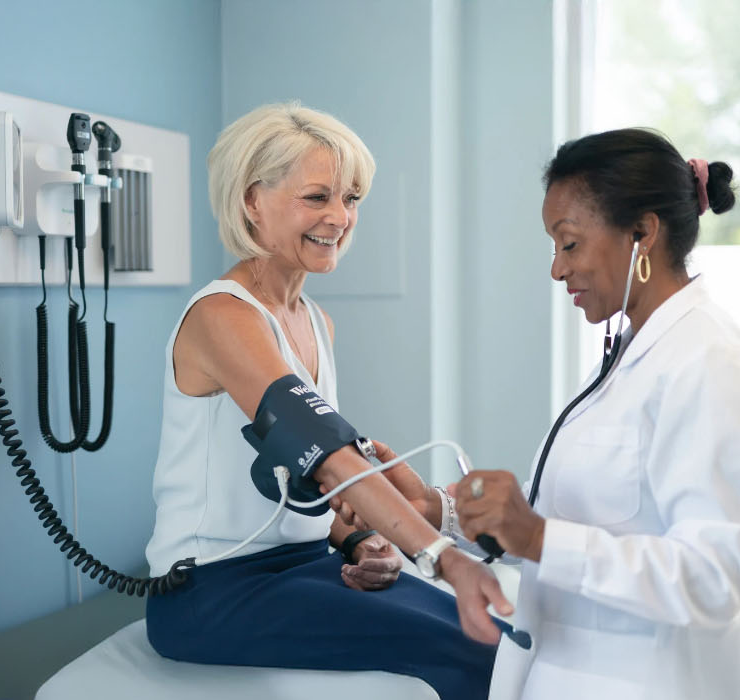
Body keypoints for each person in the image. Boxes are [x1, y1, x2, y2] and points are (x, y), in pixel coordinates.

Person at [345, 127, 740, 700]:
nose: (556, 269)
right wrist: (434, 509)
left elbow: (715, 577)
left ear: (642, 233)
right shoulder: (632, 355)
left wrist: (539, 537)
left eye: (569, 243)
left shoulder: (709, 363)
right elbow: (571, 518)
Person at [141, 102, 512, 700]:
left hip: (307, 564)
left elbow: (306, 492)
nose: (340, 217)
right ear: (251, 202)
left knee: (496, 637)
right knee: (472, 653)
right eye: (317, 197)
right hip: (211, 593)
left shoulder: (317, 322)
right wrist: (442, 557)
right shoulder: (222, 317)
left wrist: (360, 541)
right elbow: (333, 458)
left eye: (352, 198)